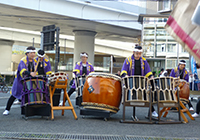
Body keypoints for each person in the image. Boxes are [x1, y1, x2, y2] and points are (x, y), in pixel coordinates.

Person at [120, 45, 158, 117]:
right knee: (131, 96)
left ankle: (152, 111)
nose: (138, 55)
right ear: (133, 52)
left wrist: (151, 76)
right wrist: (125, 75)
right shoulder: (128, 60)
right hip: (131, 81)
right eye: (137, 53)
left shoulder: (143, 60)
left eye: (140, 53)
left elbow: (148, 71)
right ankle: (127, 113)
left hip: (141, 81)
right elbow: (124, 70)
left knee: (147, 95)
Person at [3, 46, 37, 115]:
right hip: (20, 81)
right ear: (27, 53)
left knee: (28, 95)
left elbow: (36, 71)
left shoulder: (35, 61)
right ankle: (7, 109)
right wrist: (30, 73)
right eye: (31, 53)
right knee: (14, 94)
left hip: (29, 81)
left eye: (34, 53)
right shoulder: (23, 60)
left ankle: (29, 111)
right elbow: (23, 70)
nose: (33, 54)